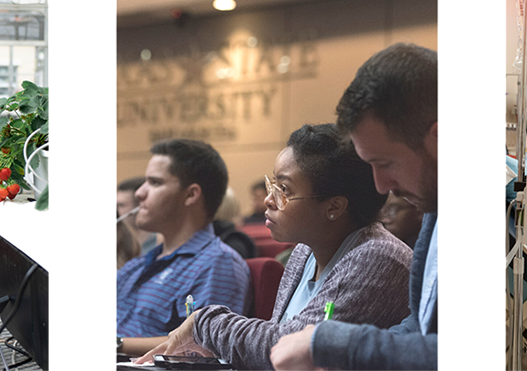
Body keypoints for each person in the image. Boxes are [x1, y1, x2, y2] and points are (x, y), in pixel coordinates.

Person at [132, 124, 412, 371]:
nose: (268, 199)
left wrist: (204, 322)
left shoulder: (378, 258)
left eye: (284, 190)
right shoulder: (305, 251)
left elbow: (288, 348)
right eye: (272, 184)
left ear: (334, 206)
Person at [270, 43, 438, 371]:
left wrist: (335, 343)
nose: (381, 186)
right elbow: (420, 328)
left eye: (385, 163)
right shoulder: (437, 207)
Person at [118, 139, 251, 351]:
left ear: (191, 195)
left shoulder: (217, 263)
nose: (139, 193)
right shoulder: (141, 262)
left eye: (155, 183)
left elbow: (201, 346)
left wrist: (109, 345)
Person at [119, 176, 160, 255]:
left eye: (122, 205)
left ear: (140, 206)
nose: (117, 211)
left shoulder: (159, 242)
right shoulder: (120, 240)